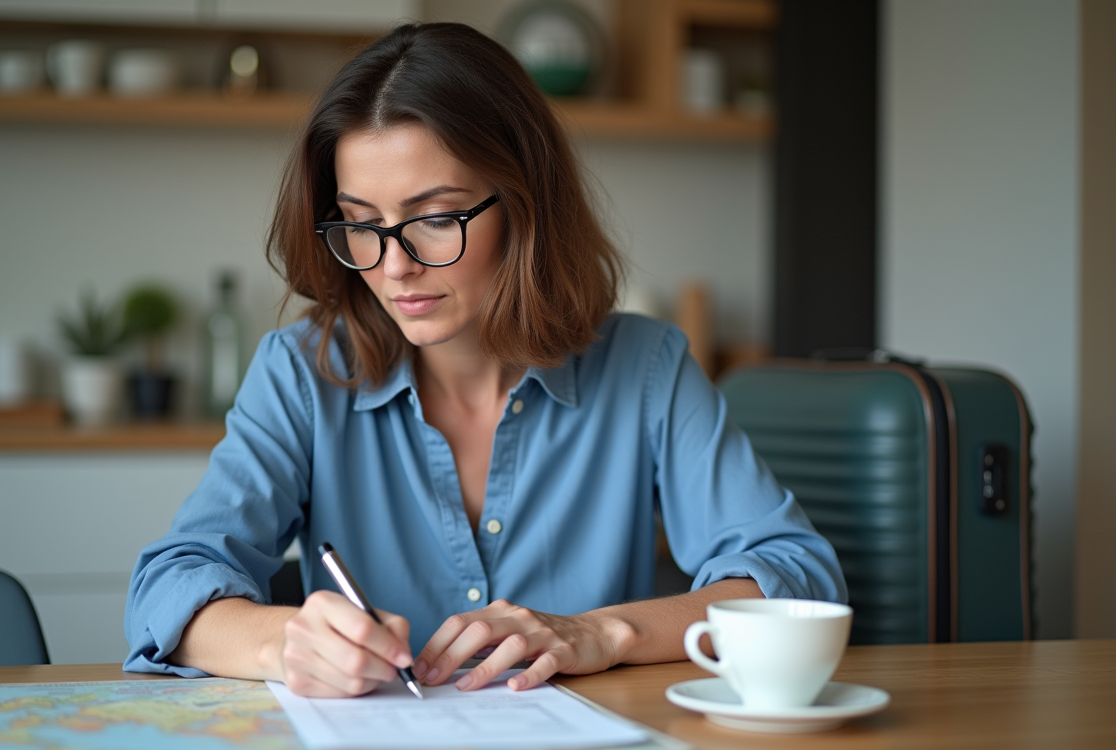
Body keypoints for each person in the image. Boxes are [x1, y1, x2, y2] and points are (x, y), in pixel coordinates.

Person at [124, 22, 846, 698]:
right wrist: (282, 643)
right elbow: (169, 587)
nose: (395, 267)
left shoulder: (646, 368)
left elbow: (796, 580)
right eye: (362, 224)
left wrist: (601, 632)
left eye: (435, 219)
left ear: (526, 206)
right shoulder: (299, 373)